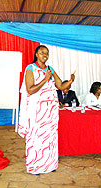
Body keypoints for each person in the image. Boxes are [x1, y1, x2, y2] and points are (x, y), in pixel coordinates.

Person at [18, 45, 75, 175]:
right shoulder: (30, 68)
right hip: (37, 111)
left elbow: (60, 85)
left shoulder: (50, 69)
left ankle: (49, 165)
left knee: (50, 138)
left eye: (47, 53)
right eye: (42, 52)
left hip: (50, 111)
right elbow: (30, 90)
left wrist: (71, 80)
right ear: (36, 54)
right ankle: (35, 166)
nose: (45, 55)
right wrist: (45, 79)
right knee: (36, 138)